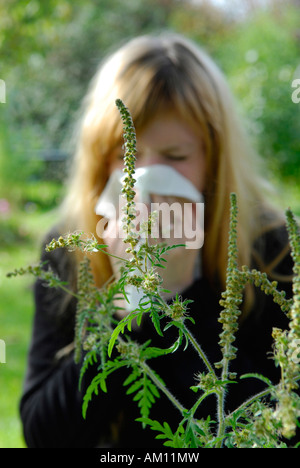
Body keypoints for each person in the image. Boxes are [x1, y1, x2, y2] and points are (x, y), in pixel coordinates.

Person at [19, 32, 295, 448]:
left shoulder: (273, 250)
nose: (142, 178)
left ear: (214, 159)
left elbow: (275, 428)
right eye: (124, 156)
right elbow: (44, 434)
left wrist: (182, 296)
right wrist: (128, 304)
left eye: (175, 157)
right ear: (100, 159)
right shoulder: (69, 250)